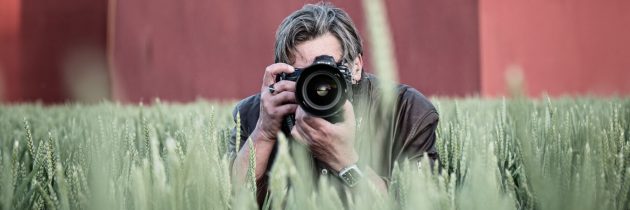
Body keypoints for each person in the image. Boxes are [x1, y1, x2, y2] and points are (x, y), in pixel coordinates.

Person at [229, 2, 439, 203]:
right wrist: (264, 133)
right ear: (282, 74)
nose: (318, 86)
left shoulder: (407, 112)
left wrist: (345, 161)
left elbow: (420, 203)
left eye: (328, 72)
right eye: (304, 76)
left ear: (356, 66)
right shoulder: (256, 113)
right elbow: (229, 198)